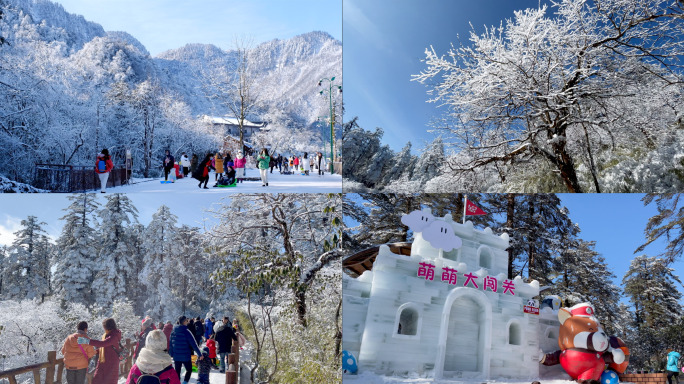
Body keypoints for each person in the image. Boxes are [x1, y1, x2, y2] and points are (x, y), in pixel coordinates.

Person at [77, 318, 122, 384]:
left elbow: (103, 344)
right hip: (104, 363)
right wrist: (96, 351)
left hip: (111, 364)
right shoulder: (110, 334)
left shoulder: (114, 335)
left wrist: (87, 341)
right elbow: (106, 347)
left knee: (108, 381)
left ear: (107, 326)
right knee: (98, 380)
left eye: (104, 327)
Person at [169, 315, 203, 384]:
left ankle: (177, 382)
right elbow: (194, 344)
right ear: (184, 322)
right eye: (186, 321)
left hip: (176, 356)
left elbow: (171, 344)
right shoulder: (187, 332)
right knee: (189, 370)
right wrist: (200, 354)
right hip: (185, 356)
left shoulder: (173, 332)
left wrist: (171, 354)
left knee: (177, 372)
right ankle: (185, 382)